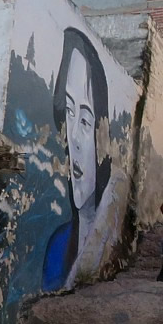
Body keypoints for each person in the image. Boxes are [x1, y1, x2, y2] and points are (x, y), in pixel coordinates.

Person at [44, 28, 113, 292]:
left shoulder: (112, 236)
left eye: (84, 120)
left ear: (102, 135)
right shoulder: (57, 247)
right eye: (69, 112)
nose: (72, 137)